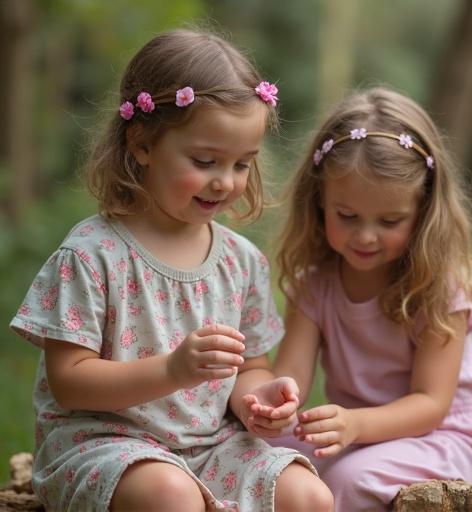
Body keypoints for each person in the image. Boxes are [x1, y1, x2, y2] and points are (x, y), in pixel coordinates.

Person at [9, 29, 334, 512]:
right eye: (205, 161)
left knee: (308, 495)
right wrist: (172, 370)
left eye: (242, 164)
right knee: (171, 495)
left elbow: (250, 366)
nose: (225, 181)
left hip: (209, 445)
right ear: (141, 144)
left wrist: (256, 399)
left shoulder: (241, 261)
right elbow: (69, 380)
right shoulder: (92, 255)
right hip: (105, 445)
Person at [267, 87, 472, 510]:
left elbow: (431, 403)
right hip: (359, 434)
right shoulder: (314, 284)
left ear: (423, 211)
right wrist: (277, 403)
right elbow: (292, 377)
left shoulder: (436, 288)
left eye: (390, 220)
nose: (365, 236)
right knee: (261, 454)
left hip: (442, 437)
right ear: (319, 200)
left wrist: (355, 423)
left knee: (346, 479)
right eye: (348, 216)